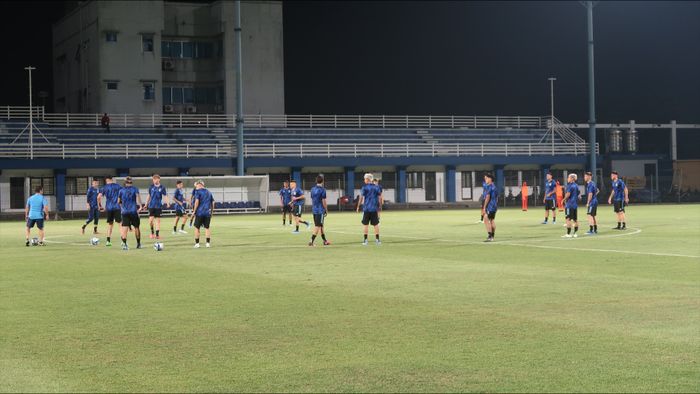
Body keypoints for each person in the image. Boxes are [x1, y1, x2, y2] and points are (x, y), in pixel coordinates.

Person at [118, 176, 144, 250]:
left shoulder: (121, 190)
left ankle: (124, 244)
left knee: (125, 227)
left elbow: (119, 202)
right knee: (136, 227)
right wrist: (140, 206)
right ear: (131, 182)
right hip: (133, 211)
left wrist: (122, 207)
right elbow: (138, 198)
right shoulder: (135, 189)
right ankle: (138, 244)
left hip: (125, 212)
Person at [357, 173, 382, 245]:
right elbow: (379, 197)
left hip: (367, 209)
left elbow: (361, 198)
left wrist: (358, 206)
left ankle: (365, 240)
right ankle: (377, 240)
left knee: (365, 224)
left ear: (367, 179)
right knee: (376, 224)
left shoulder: (364, 187)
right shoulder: (376, 187)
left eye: (365, 179)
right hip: (374, 208)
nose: (364, 180)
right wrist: (379, 206)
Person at [98, 176, 122, 246]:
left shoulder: (104, 188)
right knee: (120, 224)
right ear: (112, 180)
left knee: (110, 224)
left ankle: (108, 241)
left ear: (106, 180)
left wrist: (100, 206)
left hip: (109, 207)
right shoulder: (118, 186)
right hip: (117, 207)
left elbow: (98, 197)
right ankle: (123, 241)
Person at [145, 174, 169, 240]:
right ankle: (152, 233)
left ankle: (157, 235)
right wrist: (146, 204)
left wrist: (167, 203)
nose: (155, 180)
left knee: (158, 221)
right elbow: (149, 196)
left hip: (158, 206)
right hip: (151, 206)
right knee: (150, 221)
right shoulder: (151, 187)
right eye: (153, 179)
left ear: (159, 179)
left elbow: (165, 195)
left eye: (156, 179)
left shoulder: (162, 187)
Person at [309, 175, 331, 246]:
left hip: (314, 209)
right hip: (320, 210)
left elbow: (312, 199)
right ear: (323, 181)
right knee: (318, 226)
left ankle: (325, 241)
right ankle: (311, 241)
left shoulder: (312, 189)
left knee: (321, 226)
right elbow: (323, 201)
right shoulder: (323, 190)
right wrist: (326, 209)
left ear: (316, 181)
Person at [192, 180, 214, 248]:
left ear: (199, 185)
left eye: (197, 185)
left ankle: (197, 244)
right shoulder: (209, 192)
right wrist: (212, 212)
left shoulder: (198, 192)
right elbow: (213, 202)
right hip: (207, 213)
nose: (196, 187)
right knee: (207, 228)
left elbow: (197, 202)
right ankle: (207, 243)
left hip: (199, 212)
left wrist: (194, 211)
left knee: (197, 228)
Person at [562, 173, 580, 238]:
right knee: (575, 219)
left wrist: (563, 200)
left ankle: (568, 234)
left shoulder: (570, 185)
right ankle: (575, 233)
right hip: (575, 205)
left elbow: (568, 194)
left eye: (569, 177)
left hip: (569, 205)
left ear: (572, 178)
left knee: (568, 219)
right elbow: (579, 195)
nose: (568, 179)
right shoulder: (576, 185)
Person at [482, 173, 498, 242]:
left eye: (487, 178)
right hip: (494, 206)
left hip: (490, 206)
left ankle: (490, 236)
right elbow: (496, 198)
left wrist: (484, 207)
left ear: (490, 179)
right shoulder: (494, 187)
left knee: (486, 219)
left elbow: (488, 197)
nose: (486, 179)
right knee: (492, 220)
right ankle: (492, 236)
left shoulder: (490, 187)